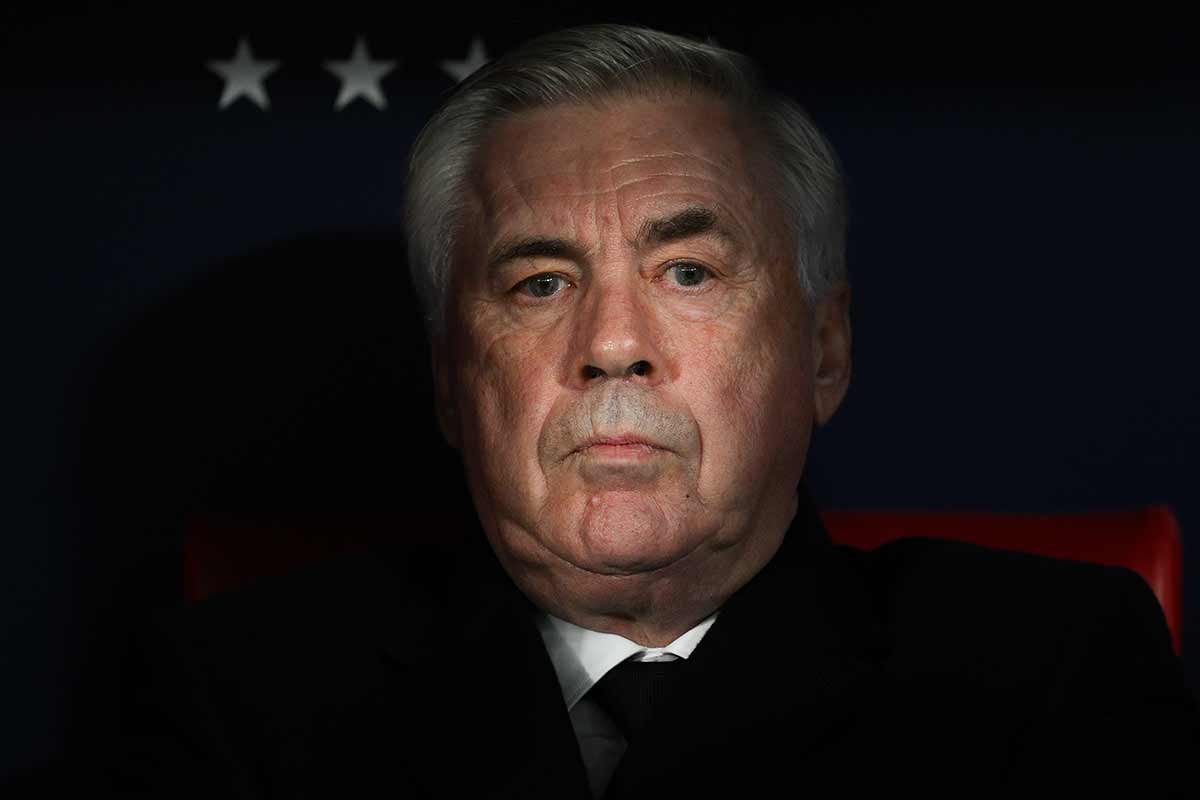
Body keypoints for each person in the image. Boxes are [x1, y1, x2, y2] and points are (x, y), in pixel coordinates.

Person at [105, 23, 1199, 797]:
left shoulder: (1046, 669)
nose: (612, 344)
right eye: (541, 283)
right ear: (450, 381)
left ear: (823, 351)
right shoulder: (233, 697)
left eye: (687, 271)